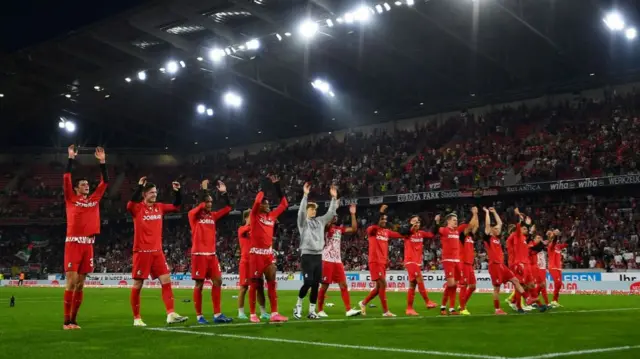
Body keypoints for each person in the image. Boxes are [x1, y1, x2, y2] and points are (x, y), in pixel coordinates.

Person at [127, 177, 188, 326]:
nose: (155, 195)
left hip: (157, 252)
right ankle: (137, 318)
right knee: (137, 285)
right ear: (144, 194)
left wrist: (178, 192)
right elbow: (130, 204)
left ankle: (171, 313)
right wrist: (139, 186)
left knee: (166, 281)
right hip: (142, 252)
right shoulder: (137, 208)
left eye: (155, 192)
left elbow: (176, 206)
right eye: (151, 193)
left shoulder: (159, 207)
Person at [62, 145, 108, 330]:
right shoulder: (70, 198)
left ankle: (74, 320)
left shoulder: (94, 199)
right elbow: (66, 177)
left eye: (88, 184)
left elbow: (105, 183)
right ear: (75, 188)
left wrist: (102, 162)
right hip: (73, 244)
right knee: (71, 282)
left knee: (81, 285)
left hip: (88, 245)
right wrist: (71, 158)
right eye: (83, 184)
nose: (87, 186)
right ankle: (66, 321)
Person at [188, 179, 233, 324]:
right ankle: (199, 316)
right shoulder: (193, 215)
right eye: (208, 202)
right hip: (199, 255)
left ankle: (217, 314)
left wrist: (224, 193)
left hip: (211, 255)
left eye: (211, 202)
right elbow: (200, 205)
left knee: (218, 281)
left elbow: (228, 208)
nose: (210, 204)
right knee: (199, 285)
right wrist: (204, 191)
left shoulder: (212, 216)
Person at [294, 182, 338, 320]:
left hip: (318, 256)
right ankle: (298, 305)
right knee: (308, 283)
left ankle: (312, 311)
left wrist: (333, 198)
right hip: (307, 255)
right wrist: (305, 195)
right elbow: (301, 211)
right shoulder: (303, 222)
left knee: (315, 285)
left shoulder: (320, 221)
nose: (314, 211)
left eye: (314, 209)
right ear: (307, 210)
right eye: (311, 209)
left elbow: (331, 213)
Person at [248, 175, 289, 323]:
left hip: (268, 254)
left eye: (268, 203)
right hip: (256, 255)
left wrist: (277, 186)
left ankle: (274, 313)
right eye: (265, 203)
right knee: (255, 285)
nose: (267, 205)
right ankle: (253, 314)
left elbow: (284, 204)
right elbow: (257, 200)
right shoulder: (254, 216)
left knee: (272, 282)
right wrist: (264, 187)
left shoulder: (271, 216)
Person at [316, 204, 361, 318]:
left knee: (343, 285)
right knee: (325, 285)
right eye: (333, 216)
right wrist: (332, 211)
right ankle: (320, 310)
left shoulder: (339, 229)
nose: (335, 217)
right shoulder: (326, 227)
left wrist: (353, 214)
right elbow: (326, 225)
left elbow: (354, 229)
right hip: (326, 259)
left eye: (336, 216)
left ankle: (348, 309)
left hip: (337, 261)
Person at [358, 205, 404, 317]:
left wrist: (411, 228)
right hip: (375, 261)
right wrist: (380, 212)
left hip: (383, 263)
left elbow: (401, 235)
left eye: (385, 219)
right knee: (383, 284)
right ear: (377, 219)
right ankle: (385, 311)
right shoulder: (372, 230)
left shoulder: (386, 232)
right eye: (382, 219)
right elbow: (374, 224)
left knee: (379, 287)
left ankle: (363, 303)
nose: (384, 221)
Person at [482, 207, 527, 315]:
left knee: (516, 280)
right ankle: (497, 309)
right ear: (492, 230)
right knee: (497, 289)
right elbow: (488, 225)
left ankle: (528, 299)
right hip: (494, 265)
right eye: (496, 228)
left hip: (502, 265)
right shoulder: (488, 239)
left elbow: (500, 223)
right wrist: (487, 213)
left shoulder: (497, 239)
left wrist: (495, 212)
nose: (498, 229)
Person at [399, 215, 437, 316]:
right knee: (419, 279)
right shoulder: (407, 233)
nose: (417, 223)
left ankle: (409, 308)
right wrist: (412, 226)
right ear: (410, 223)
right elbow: (405, 230)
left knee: (412, 285)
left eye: (418, 222)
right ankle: (428, 302)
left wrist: (436, 222)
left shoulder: (421, 233)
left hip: (417, 262)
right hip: (410, 261)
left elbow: (431, 234)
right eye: (414, 221)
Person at [237, 210, 269, 320]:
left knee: (260, 288)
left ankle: (263, 312)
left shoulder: (256, 230)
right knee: (243, 288)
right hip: (246, 262)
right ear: (246, 218)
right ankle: (240, 312)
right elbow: (247, 229)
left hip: (257, 261)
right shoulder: (241, 229)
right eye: (252, 216)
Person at [436, 211, 469, 315]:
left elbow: (468, 224)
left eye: (457, 220)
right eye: (454, 220)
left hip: (457, 260)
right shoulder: (444, 230)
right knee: (451, 284)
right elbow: (436, 229)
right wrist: (436, 221)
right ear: (448, 221)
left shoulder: (457, 231)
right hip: (448, 260)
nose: (456, 222)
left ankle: (451, 308)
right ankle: (442, 306)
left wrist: (474, 214)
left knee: (454, 285)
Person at [458, 207, 479, 316]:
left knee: (473, 286)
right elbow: (471, 226)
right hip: (463, 263)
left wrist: (476, 215)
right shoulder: (462, 236)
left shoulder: (470, 236)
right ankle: (462, 308)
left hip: (469, 263)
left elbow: (476, 226)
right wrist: (474, 213)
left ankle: (462, 303)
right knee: (464, 285)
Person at [548, 229, 572, 308]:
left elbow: (566, 244)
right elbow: (554, 240)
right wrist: (556, 235)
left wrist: (572, 236)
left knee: (559, 284)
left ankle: (555, 301)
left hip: (558, 268)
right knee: (558, 283)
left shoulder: (558, 246)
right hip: (553, 267)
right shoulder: (550, 246)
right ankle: (553, 301)